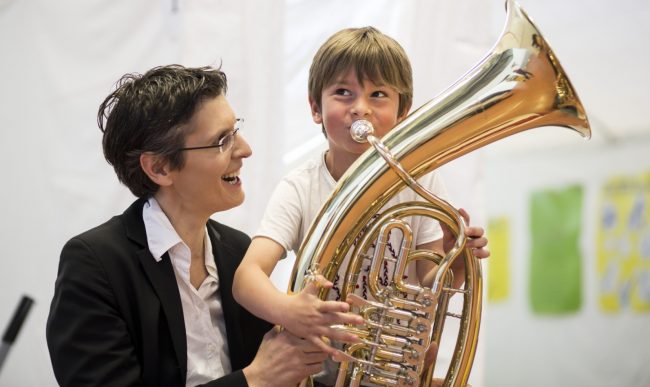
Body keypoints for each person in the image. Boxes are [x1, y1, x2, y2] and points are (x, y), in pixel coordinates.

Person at [232, 27, 489, 384]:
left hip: (393, 371)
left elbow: (432, 282)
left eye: (378, 94)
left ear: (403, 112)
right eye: (343, 93)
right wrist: (289, 310)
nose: (361, 108)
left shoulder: (421, 182)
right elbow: (247, 278)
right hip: (318, 372)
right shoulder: (300, 186)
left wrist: (457, 257)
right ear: (315, 108)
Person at [46, 65, 329, 387]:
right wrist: (254, 379)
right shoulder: (95, 264)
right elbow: (262, 374)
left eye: (235, 130)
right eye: (222, 140)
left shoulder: (237, 251)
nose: (245, 150)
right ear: (160, 167)